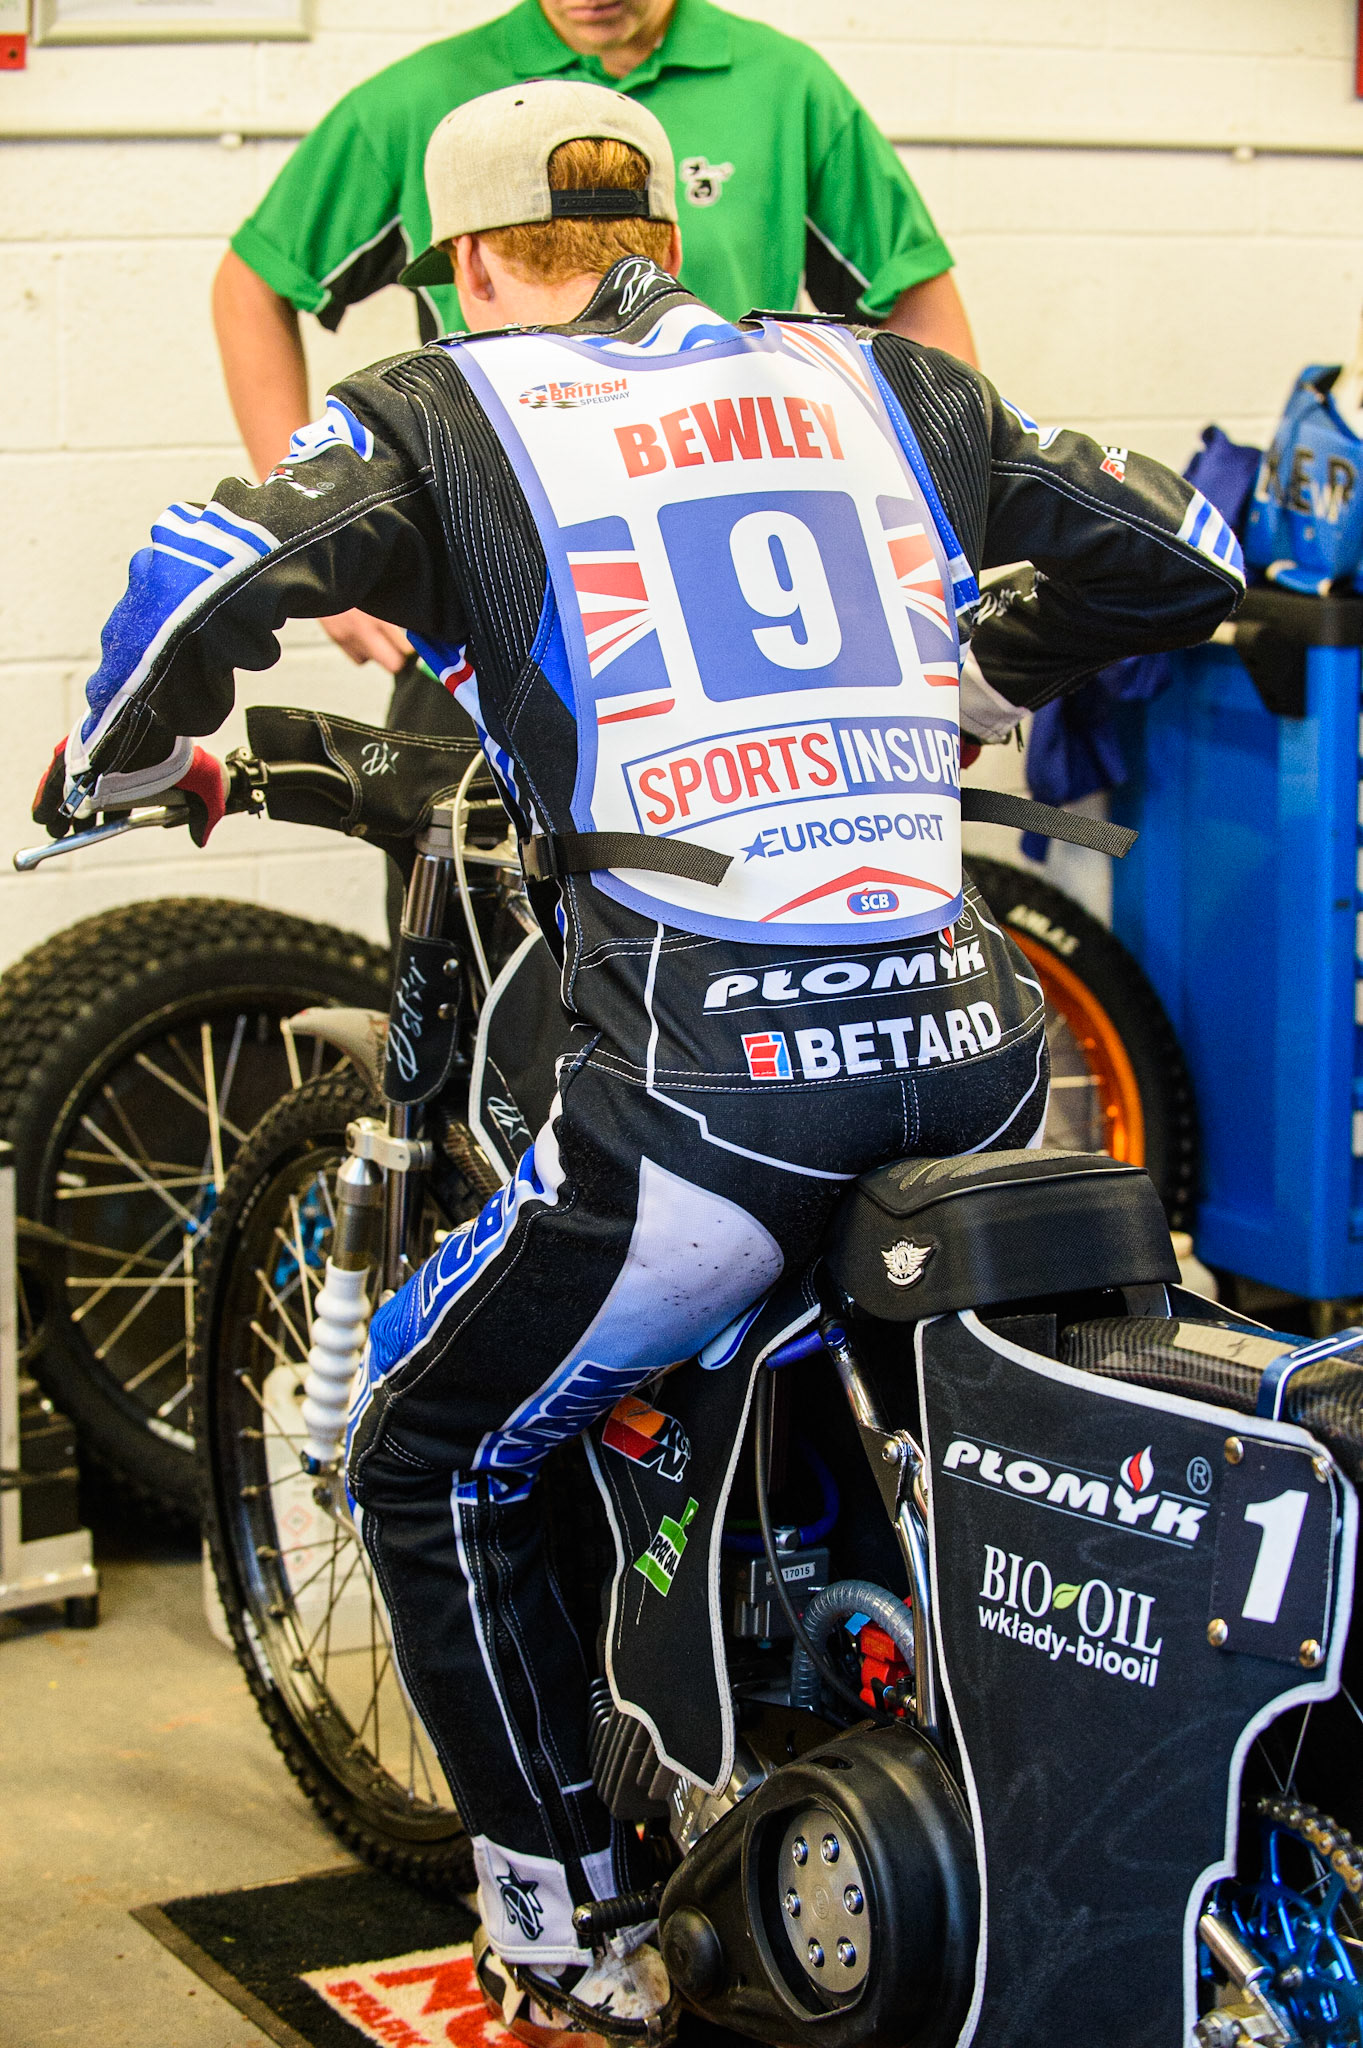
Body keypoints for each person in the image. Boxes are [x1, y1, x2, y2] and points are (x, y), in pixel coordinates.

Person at [35, 81, 1244, 2044]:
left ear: (459, 273)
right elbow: (1179, 552)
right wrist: (975, 655)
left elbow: (205, 562)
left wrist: (106, 744)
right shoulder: (873, 386)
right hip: (982, 1051)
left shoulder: (454, 411)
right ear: (662, 239)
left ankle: (561, 1931)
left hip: (719, 1097)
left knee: (417, 1446)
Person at [213, 0, 976, 682]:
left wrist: (936, 549)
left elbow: (920, 314)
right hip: (498, 577)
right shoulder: (420, 101)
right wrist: (319, 541)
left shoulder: (785, 85)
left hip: (738, 579)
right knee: (450, 826)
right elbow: (254, 284)